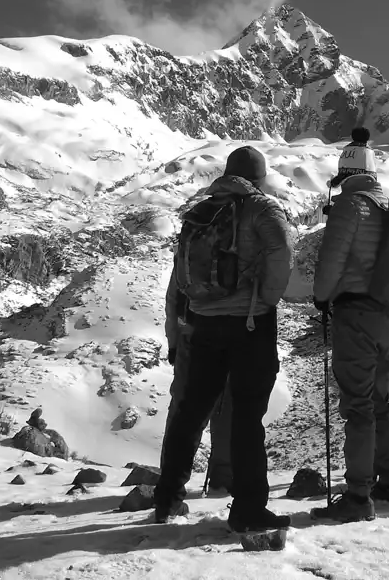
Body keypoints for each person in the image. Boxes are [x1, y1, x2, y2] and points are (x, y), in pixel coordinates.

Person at [151, 145, 294, 532]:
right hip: (248, 325)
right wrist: (262, 302)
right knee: (247, 417)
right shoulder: (262, 209)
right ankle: (248, 508)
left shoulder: (201, 211)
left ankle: (167, 497)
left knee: (191, 411)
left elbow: (182, 271)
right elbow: (282, 257)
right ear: (259, 177)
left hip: (202, 324)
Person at [310, 152, 389, 522]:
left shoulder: (350, 206)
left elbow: (331, 260)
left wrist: (321, 296)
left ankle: (358, 495)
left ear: (345, 173)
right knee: (379, 400)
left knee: (358, 405)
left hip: (357, 313)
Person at [161, 280, 233, 495]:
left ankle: (170, 484)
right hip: (235, 331)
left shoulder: (189, 247)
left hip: (190, 334)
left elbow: (174, 300)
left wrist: (173, 342)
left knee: (184, 407)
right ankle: (224, 479)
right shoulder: (246, 246)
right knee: (229, 406)